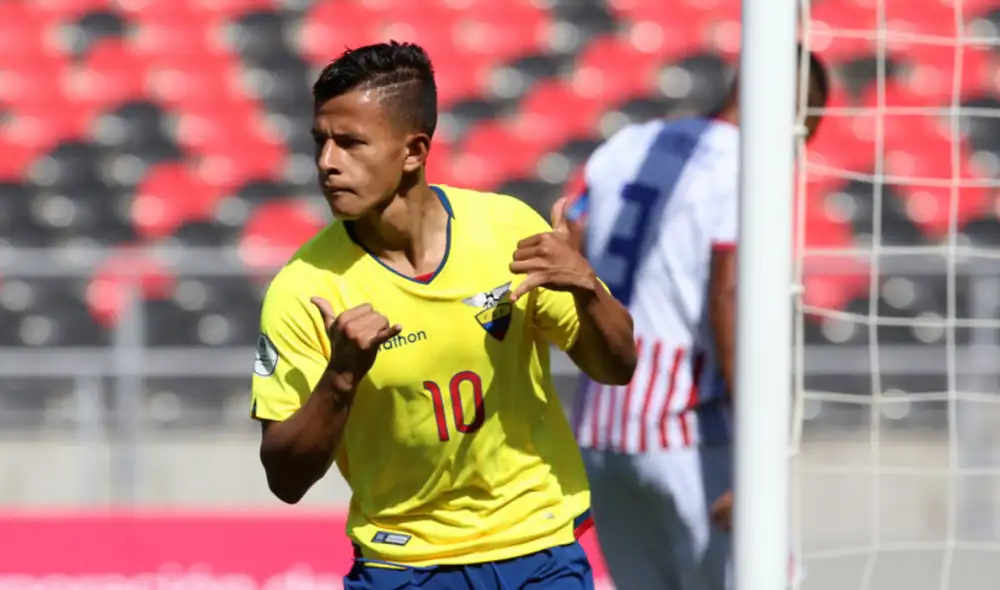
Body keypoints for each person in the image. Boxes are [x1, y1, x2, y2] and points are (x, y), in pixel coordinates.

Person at [249, 41, 637, 590]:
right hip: (405, 565)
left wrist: (587, 290)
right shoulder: (305, 288)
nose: (327, 163)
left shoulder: (507, 229)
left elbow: (618, 366)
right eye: (320, 142)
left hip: (540, 549)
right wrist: (340, 379)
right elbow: (284, 479)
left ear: (414, 151)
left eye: (350, 143)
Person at [565, 46, 829, 590]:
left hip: (602, 430)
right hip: (692, 434)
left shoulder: (627, 144)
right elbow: (730, 296)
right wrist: (755, 448)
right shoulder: (747, 166)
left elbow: (571, 242)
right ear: (802, 113)